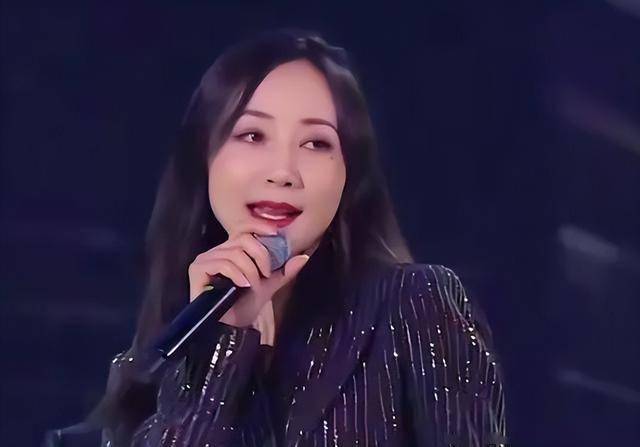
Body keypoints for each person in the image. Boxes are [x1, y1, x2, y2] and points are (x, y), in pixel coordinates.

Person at [45, 28, 507, 446]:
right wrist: (222, 348)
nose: (283, 172)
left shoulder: (414, 304)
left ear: (349, 176)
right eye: (252, 135)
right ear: (204, 158)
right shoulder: (154, 361)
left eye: (316, 143)